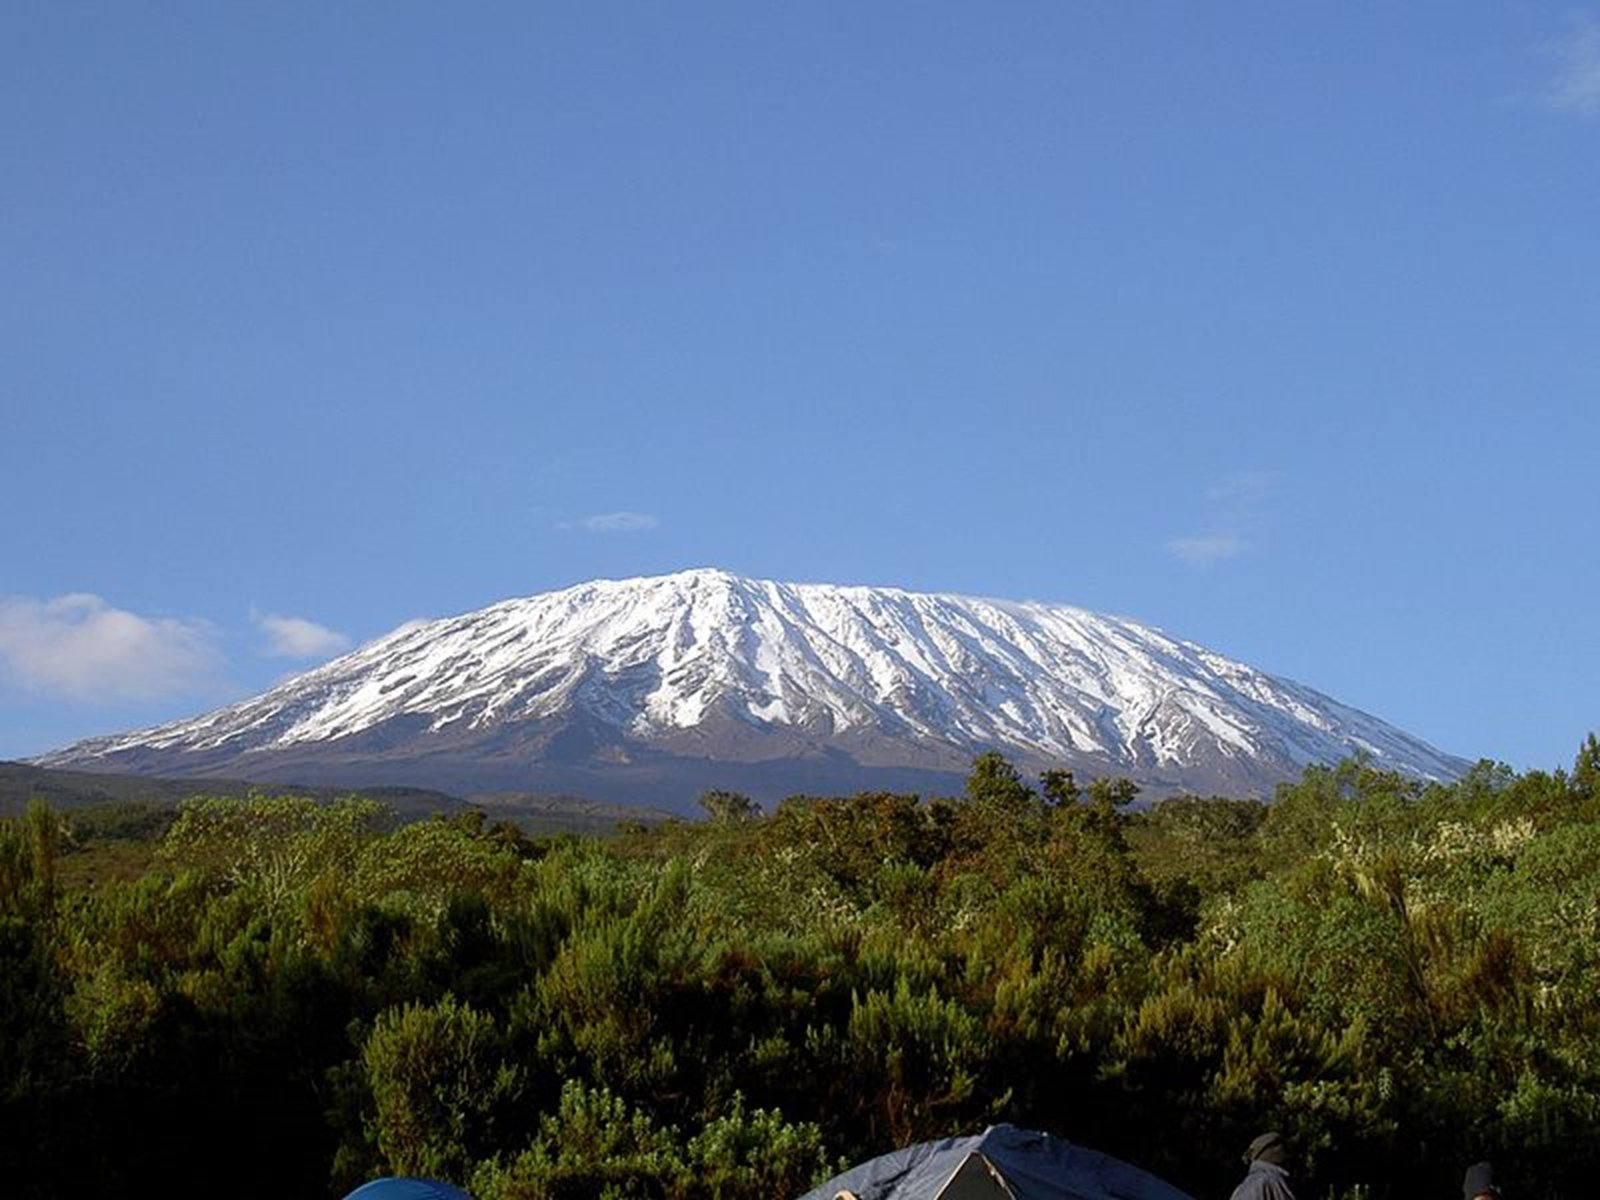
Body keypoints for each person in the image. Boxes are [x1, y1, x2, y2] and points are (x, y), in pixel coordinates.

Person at [1228, 1131, 1296, 1200]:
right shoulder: (1271, 1179)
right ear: (1271, 1150)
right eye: (1284, 1149)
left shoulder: (1241, 1188)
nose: (1286, 1155)